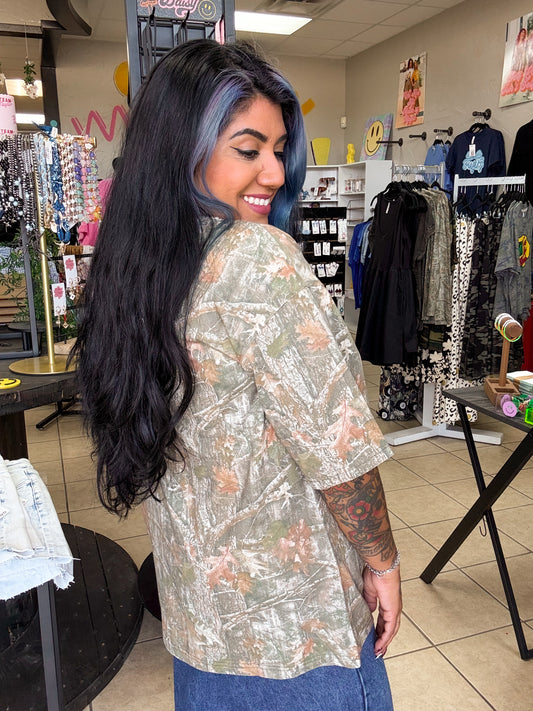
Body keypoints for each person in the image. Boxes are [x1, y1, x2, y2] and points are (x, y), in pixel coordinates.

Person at [72, 39, 401, 710]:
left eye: (278, 149)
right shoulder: (257, 257)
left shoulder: (138, 267)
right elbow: (339, 453)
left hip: (198, 621)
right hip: (295, 632)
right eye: (248, 149)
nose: (274, 172)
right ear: (179, 151)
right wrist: (384, 561)